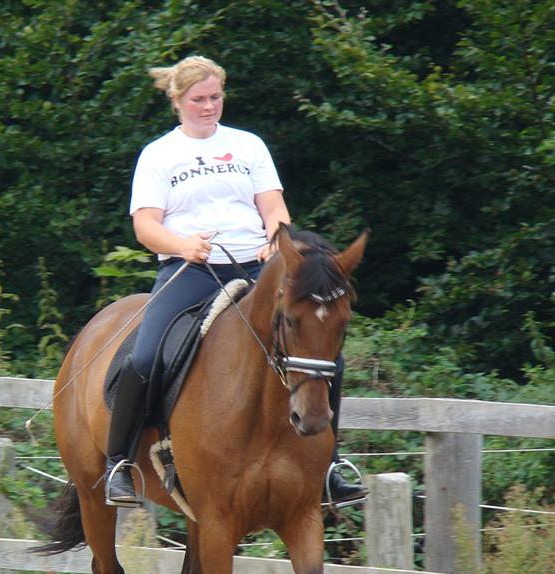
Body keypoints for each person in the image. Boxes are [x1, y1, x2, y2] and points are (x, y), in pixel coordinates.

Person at [103, 55, 366, 508]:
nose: (208, 107)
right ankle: (119, 463)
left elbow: (274, 207)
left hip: (257, 268)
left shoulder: (248, 146)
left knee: (321, 350)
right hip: (190, 270)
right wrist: (182, 244)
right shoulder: (159, 154)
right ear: (178, 100)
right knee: (144, 356)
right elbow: (145, 226)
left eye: (215, 97)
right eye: (198, 99)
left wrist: (275, 237)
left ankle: (329, 465)